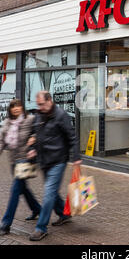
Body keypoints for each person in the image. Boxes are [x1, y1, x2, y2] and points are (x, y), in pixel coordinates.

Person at [27, 91, 82, 241]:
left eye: (42, 104)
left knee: (49, 192)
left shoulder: (61, 115)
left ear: (50, 101)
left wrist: (76, 157)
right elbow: (34, 136)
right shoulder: (38, 115)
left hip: (58, 160)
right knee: (52, 192)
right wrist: (32, 149)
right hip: (44, 161)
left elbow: (73, 137)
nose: (40, 107)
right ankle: (64, 214)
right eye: (38, 104)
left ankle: (41, 228)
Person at [0, 99, 41, 236]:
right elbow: (0, 143)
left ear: (22, 108)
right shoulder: (7, 123)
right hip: (13, 162)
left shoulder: (30, 119)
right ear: (10, 109)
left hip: (25, 160)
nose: (16, 109)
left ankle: (6, 224)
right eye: (13, 107)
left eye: (18, 106)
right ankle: (37, 209)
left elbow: (40, 131)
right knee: (23, 189)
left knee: (15, 190)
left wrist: (33, 138)